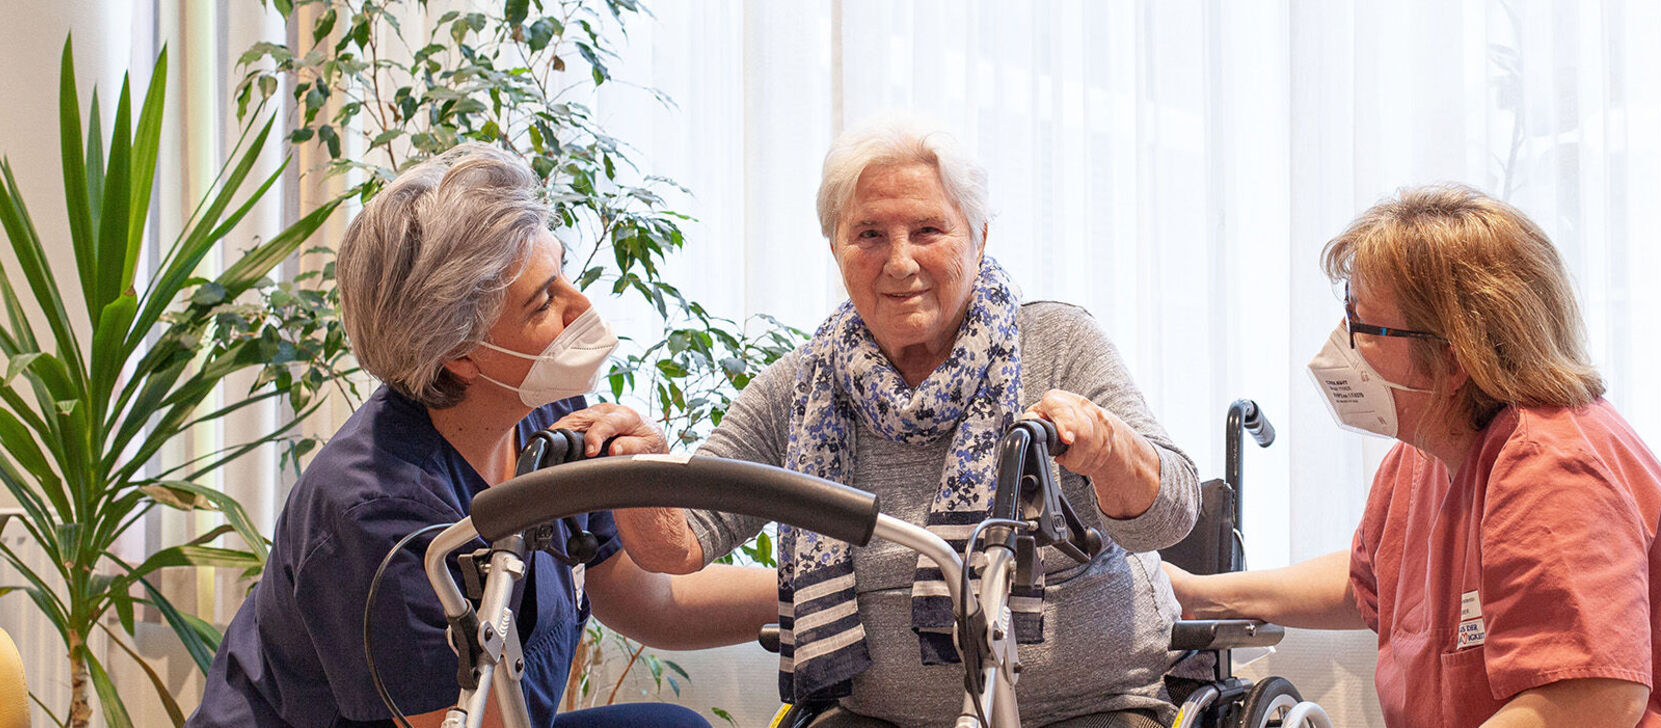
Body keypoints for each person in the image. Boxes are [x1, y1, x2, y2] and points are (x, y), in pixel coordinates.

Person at [615, 116, 1200, 728]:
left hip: (1087, 711)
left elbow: (1172, 513)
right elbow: (679, 543)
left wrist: (1106, 448)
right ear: (835, 248)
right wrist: (636, 468)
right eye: (868, 234)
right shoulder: (803, 386)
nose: (899, 263)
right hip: (877, 719)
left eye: (928, 231)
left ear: (978, 237)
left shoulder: (1056, 343)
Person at [1163, 184, 1661, 728]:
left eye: (1363, 326)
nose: (1342, 347)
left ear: (1456, 356)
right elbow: (1376, 585)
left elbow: (1593, 694)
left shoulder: (1548, 462)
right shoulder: (1424, 454)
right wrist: (1199, 595)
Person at [188, 144, 776, 728]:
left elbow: (651, 604)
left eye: (562, 273)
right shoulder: (374, 512)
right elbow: (472, 721)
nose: (582, 305)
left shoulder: (550, 414)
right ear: (460, 353)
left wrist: (829, 587)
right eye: (545, 300)